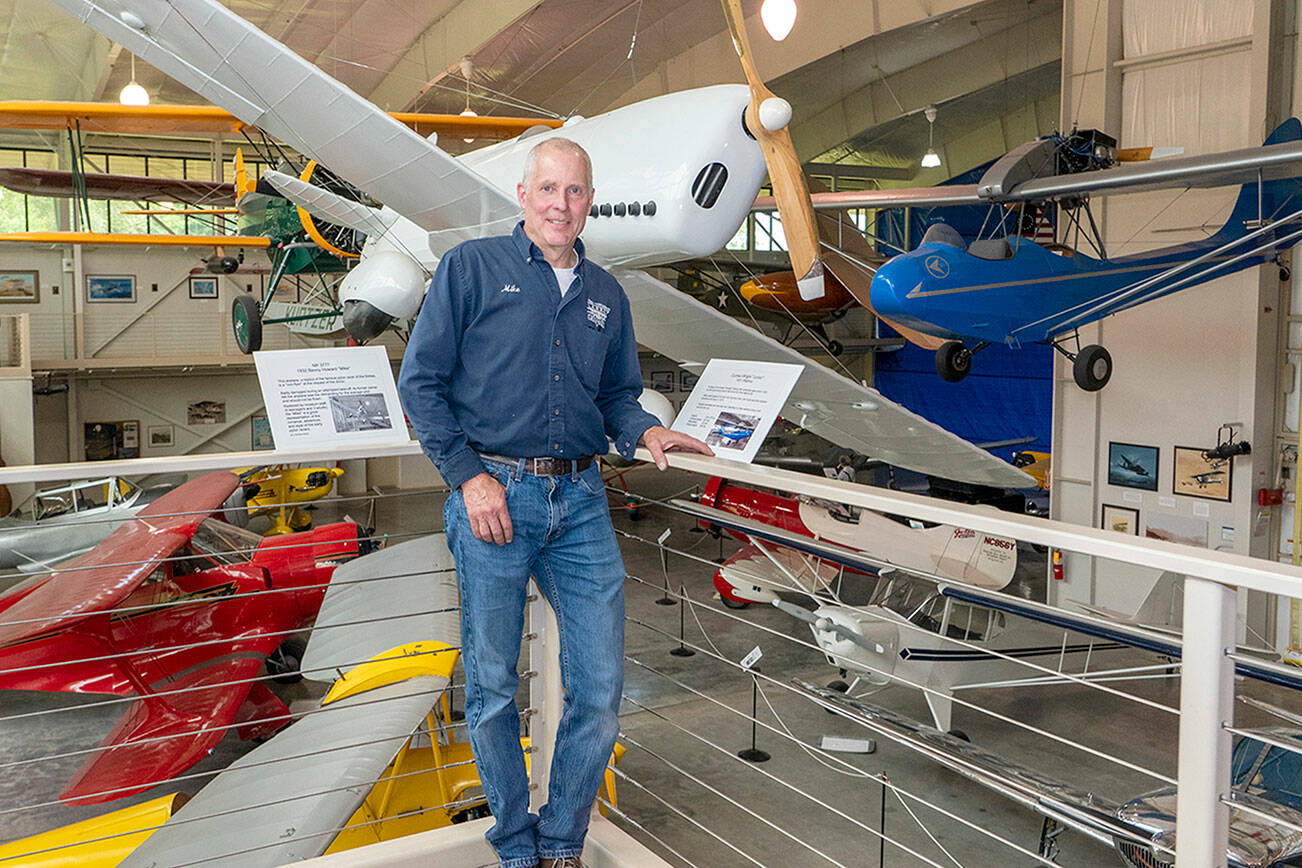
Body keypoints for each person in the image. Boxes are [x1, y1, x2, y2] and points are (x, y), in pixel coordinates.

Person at [398, 137, 711, 868]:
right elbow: (421, 385)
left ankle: (562, 839)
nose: (559, 206)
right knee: (495, 686)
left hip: (581, 498)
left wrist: (650, 430)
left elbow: (615, 399)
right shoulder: (470, 269)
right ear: (522, 193)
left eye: (573, 192)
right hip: (494, 497)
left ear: (589, 201)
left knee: (600, 687)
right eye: (547, 189)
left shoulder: (607, 295)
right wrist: (469, 479)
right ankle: (514, 844)